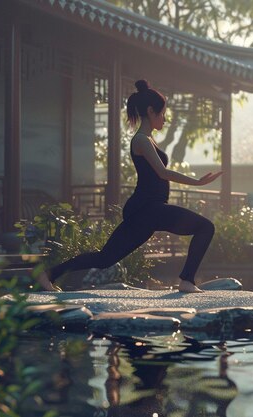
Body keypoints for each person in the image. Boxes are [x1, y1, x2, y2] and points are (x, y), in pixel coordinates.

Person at [37, 80, 222, 293]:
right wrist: (197, 182)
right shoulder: (141, 140)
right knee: (205, 227)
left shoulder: (149, 140)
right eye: (162, 113)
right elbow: (162, 173)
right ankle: (187, 280)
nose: (164, 118)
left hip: (148, 211)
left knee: (104, 258)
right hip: (148, 208)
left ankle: (49, 274)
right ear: (151, 111)